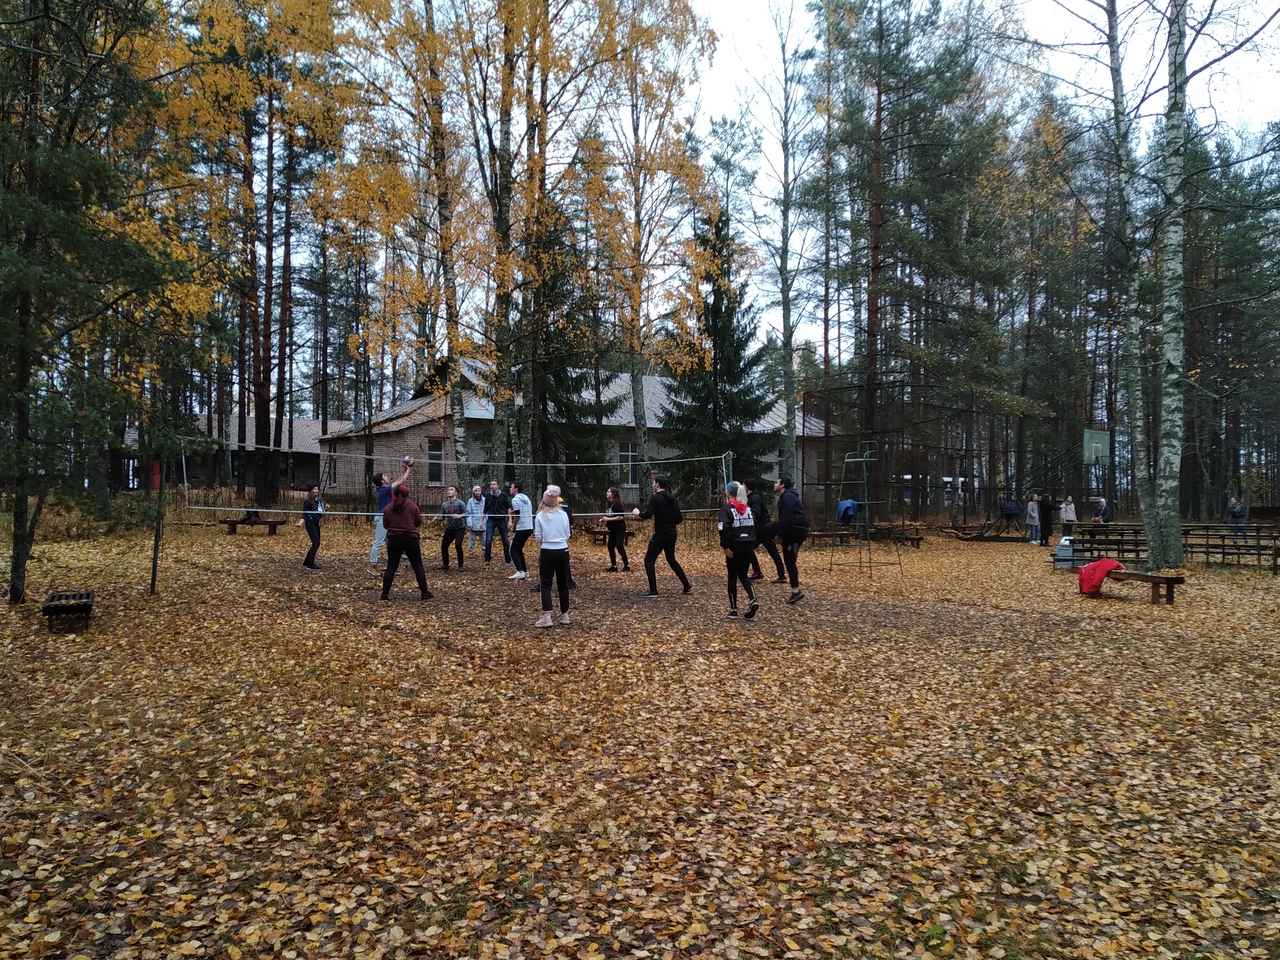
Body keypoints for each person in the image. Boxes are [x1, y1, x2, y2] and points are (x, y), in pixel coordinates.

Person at [632, 475, 691, 598]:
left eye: (654, 483)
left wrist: (638, 514)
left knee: (649, 560)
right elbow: (679, 518)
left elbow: (648, 515)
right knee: (671, 559)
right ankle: (686, 585)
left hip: (661, 534)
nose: (653, 485)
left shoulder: (655, 498)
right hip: (672, 533)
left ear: (658, 484)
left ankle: (653, 590)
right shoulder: (672, 498)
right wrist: (670, 525)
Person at [380, 484, 433, 601]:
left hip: (394, 539)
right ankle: (424, 592)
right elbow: (418, 522)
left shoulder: (388, 508)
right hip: (410, 538)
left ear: (394, 494)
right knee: (417, 565)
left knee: (391, 567)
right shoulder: (413, 506)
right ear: (406, 495)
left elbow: (385, 525)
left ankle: (384, 594)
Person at [762, 476, 808, 603]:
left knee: (767, 528)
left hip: (795, 527)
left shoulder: (788, 496)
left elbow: (786, 517)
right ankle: (795, 591)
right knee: (789, 561)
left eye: (776, 482)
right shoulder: (789, 496)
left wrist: (779, 536)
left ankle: (787, 544)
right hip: (797, 529)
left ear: (782, 485)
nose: (774, 484)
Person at [533, 485, 573, 627]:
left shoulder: (539, 516)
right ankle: (565, 615)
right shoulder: (563, 515)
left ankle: (547, 616)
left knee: (545, 584)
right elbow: (568, 534)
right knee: (563, 583)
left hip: (547, 551)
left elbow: (538, 537)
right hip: (563, 551)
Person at [719, 481, 759, 620]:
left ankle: (733, 609)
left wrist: (725, 545)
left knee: (732, 577)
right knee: (743, 575)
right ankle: (753, 598)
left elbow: (723, 527)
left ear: (728, 493)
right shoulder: (747, 509)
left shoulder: (727, 509)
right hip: (748, 546)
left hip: (734, 547)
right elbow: (755, 525)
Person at [369, 462, 412, 570]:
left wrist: (404, 471)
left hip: (386, 517)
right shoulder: (383, 489)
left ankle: (392, 564)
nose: (387, 477)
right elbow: (401, 482)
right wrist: (408, 470)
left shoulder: (384, 488)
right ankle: (372, 564)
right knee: (378, 541)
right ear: (382, 481)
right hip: (381, 518)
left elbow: (398, 481)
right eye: (384, 476)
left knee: (391, 540)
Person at [744, 477, 782, 581]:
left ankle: (760, 572)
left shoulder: (755, 498)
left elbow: (756, 512)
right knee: (750, 550)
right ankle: (758, 572)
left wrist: (745, 512)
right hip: (760, 529)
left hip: (763, 529)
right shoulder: (751, 497)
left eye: (743, 485)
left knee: (752, 549)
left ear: (747, 487)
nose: (742, 487)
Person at [507, 481, 534, 580]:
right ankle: (525, 571)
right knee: (518, 549)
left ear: (516, 489)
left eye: (511, 487)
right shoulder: (526, 498)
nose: (510, 488)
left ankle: (520, 571)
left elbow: (518, 515)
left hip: (522, 527)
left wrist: (513, 526)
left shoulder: (515, 500)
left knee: (513, 550)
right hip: (529, 527)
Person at [438, 485, 467, 570]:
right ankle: (445, 564)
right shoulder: (444, 504)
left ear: (456, 493)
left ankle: (460, 565)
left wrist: (459, 516)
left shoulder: (460, 503)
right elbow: (442, 517)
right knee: (444, 546)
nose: (449, 491)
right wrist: (437, 519)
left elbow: (467, 513)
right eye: (448, 490)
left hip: (459, 528)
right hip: (450, 528)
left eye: (451, 490)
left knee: (458, 545)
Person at [483, 479, 511, 565]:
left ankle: (508, 560)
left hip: (501, 519)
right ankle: (487, 559)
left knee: (505, 540)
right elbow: (485, 509)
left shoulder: (503, 495)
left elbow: (508, 508)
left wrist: (510, 520)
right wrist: (481, 521)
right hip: (491, 519)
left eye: (494, 484)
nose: (492, 486)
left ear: (498, 485)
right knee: (488, 540)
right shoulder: (488, 496)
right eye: (491, 484)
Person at [602, 487, 630, 572]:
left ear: (613, 494)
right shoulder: (609, 504)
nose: (607, 493)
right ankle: (613, 566)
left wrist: (608, 519)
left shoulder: (617, 504)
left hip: (619, 529)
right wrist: (604, 519)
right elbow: (610, 515)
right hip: (612, 529)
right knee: (610, 546)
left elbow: (620, 517)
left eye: (608, 492)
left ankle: (626, 565)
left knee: (619, 546)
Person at [299, 486, 325, 570]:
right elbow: (305, 514)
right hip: (310, 524)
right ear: (310, 491)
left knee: (316, 543)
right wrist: (301, 523)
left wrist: (326, 506)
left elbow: (321, 511)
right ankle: (310, 564)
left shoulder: (319, 501)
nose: (316, 491)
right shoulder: (307, 502)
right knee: (316, 543)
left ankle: (306, 562)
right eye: (314, 489)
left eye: (317, 489)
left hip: (316, 523)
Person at [465, 485, 486, 555]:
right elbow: (468, 513)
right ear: (473, 492)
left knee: (484, 538)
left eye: (479, 491)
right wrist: (470, 524)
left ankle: (485, 550)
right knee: (471, 538)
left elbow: (487, 512)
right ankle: (471, 551)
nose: (477, 492)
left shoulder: (485, 500)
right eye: (476, 491)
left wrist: (485, 522)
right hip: (473, 522)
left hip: (483, 522)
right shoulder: (470, 501)